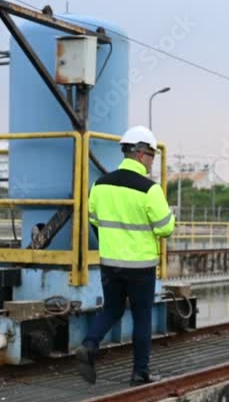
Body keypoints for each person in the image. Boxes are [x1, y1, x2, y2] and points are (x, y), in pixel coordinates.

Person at [75, 125, 175, 385]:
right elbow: (165, 229)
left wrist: (111, 243)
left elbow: (93, 219)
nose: (153, 162)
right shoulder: (149, 189)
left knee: (112, 309)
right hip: (140, 266)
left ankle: (89, 344)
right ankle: (140, 372)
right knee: (142, 317)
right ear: (142, 154)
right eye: (152, 156)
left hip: (110, 263)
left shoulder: (100, 184)